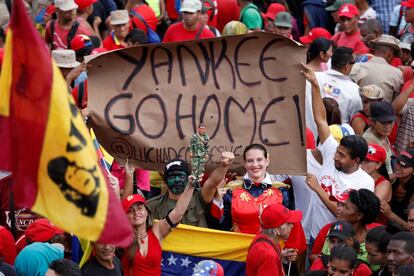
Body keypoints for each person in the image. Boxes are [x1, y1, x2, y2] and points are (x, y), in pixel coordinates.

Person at [302, 62, 374, 227]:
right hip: (313, 234)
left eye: (342, 155)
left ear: (356, 160)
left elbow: (343, 212)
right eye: (337, 152)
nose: (335, 156)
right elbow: (320, 120)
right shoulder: (332, 152)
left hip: (336, 240)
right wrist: (314, 85)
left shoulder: (364, 182)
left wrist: (317, 188)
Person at [121, 170, 196, 275]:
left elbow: (178, 212)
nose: (136, 213)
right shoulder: (123, 235)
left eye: (139, 208)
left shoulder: (157, 230)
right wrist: (129, 176)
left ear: (147, 211)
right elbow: (122, 207)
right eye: (130, 210)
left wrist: (190, 186)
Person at [147, 152, 234, 228]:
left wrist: (224, 166)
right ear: (165, 180)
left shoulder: (199, 197)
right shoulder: (153, 205)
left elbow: (212, 183)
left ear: (188, 178)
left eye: (181, 176)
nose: (177, 179)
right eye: (172, 176)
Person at [310, 189, 381, 267]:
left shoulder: (374, 240)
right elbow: (316, 256)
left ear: (359, 215)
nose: (339, 209)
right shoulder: (331, 230)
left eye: (345, 207)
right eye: (341, 205)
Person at [246, 203, 302, 276]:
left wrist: (281, 255)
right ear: (277, 230)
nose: (292, 226)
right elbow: (266, 257)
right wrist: (274, 257)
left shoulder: (263, 239)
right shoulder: (269, 256)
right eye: (288, 223)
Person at [314, 47, 362, 124]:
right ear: (346, 66)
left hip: (309, 130)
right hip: (339, 134)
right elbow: (356, 119)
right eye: (353, 63)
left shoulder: (314, 77)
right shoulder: (355, 90)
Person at [352, 35, 404, 103]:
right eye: (394, 55)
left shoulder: (357, 66)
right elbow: (395, 103)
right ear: (389, 53)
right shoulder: (397, 73)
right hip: (382, 112)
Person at [363, 101, 396, 178]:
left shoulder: (382, 133)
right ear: (372, 122)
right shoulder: (370, 143)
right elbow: (374, 176)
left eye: (390, 122)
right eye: (383, 122)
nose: (388, 126)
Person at [390, 148, 414, 221]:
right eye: (397, 162)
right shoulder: (393, 178)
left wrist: (389, 213)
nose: (397, 167)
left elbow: (410, 225)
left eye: (403, 166)